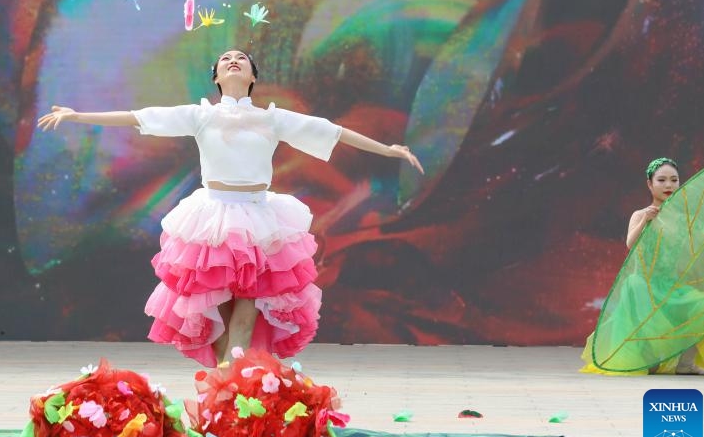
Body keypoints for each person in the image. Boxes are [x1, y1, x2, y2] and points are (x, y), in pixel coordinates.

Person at [38, 50, 424, 367]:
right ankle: (228, 383)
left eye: (242, 58)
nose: (234, 60)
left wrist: (389, 149)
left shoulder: (272, 118)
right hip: (214, 218)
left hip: (258, 216)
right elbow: (141, 118)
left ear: (253, 76)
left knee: (248, 304)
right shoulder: (201, 114)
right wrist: (77, 116)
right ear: (217, 78)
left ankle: (231, 375)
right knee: (217, 313)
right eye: (226, 59)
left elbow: (333, 132)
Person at [582, 157, 704, 375]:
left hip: (670, 286)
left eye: (674, 180)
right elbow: (630, 243)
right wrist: (645, 220)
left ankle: (685, 365)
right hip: (643, 285)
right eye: (662, 180)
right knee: (642, 306)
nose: (669, 185)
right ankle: (648, 360)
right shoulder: (641, 214)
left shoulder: (683, 219)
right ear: (650, 184)